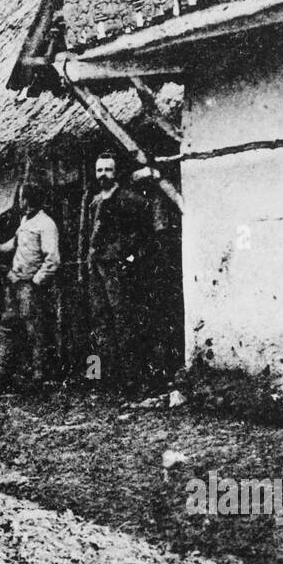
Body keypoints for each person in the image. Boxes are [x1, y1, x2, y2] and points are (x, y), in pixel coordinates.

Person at [86, 153, 153, 389]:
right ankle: (107, 376)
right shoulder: (94, 201)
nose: (103, 174)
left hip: (117, 268)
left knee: (123, 319)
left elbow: (141, 232)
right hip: (97, 267)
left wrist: (127, 256)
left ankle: (132, 377)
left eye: (108, 169)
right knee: (100, 319)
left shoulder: (128, 199)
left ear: (116, 172)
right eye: (99, 170)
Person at [0, 184, 60, 388]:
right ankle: (3, 370)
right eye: (21, 198)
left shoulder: (46, 224)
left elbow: (52, 259)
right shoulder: (25, 220)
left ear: (32, 200)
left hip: (29, 287)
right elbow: (14, 244)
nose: (22, 203)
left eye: (24, 199)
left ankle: (38, 374)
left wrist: (37, 281)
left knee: (34, 329)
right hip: (14, 283)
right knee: (7, 325)